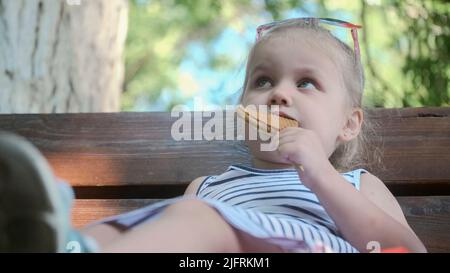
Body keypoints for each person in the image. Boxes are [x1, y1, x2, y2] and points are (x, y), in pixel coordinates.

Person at [0, 17, 426, 253]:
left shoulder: (356, 184)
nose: (277, 94)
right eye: (262, 81)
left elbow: (403, 250)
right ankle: (66, 245)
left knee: (200, 218)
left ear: (348, 124)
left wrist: (321, 175)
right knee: (127, 229)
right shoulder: (209, 187)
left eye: (306, 83)